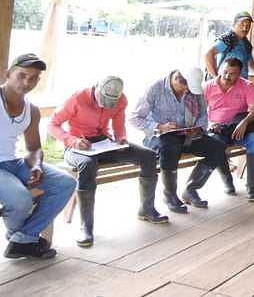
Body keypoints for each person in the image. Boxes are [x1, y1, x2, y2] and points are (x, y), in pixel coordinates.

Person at [50, 75, 168, 248]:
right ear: (96, 88)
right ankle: (86, 227)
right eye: (103, 100)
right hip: (77, 146)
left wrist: (121, 138)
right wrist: (72, 140)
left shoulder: (121, 100)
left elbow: (118, 124)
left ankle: (147, 209)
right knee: (87, 165)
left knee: (148, 156)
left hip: (105, 144)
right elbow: (52, 124)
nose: (106, 104)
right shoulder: (77, 99)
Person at [1, 54, 75, 260]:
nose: (27, 82)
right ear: (8, 74)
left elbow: (33, 148)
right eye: (21, 75)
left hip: (14, 162)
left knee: (65, 183)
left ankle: (23, 238)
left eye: (33, 78)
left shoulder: (31, 110)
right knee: (20, 199)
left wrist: (36, 166)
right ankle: (23, 241)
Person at [129, 67, 227, 213]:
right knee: (171, 148)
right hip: (159, 136)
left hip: (187, 135)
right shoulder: (155, 89)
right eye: (185, 88)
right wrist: (159, 126)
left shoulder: (194, 90)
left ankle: (191, 190)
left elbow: (203, 116)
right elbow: (134, 118)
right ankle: (170, 196)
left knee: (218, 147)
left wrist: (198, 129)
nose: (187, 92)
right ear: (176, 80)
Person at [204, 58, 254, 201]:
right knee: (215, 145)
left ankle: (252, 187)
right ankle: (227, 180)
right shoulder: (207, 86)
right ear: (220, 70)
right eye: (224, 72)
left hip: (239, 128)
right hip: (217, 128)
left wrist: (245, 122)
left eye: (232, 74)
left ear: (239, 74)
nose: (227, 76)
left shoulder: (247, 86)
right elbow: (199, 112)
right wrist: (210, 123)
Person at [204, 11, 254, 80]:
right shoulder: (227, 39)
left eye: (248, 26)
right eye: (242, 24)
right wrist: (215, 78)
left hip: (241, 85)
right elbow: (207, 55)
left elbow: (252, 64)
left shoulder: (246, 43)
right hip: (226, 84)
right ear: (234, 24)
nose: (245, 28)